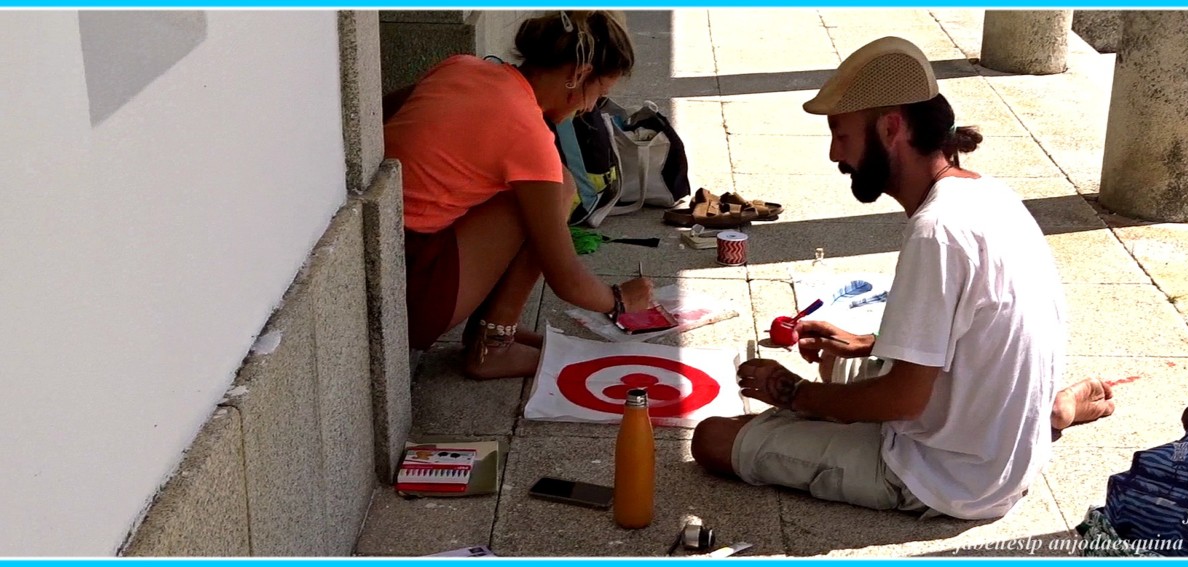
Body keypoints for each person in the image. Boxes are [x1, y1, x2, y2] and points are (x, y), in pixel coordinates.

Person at [689, 36, 1115, 520]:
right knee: (835, 363)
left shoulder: (936, 233)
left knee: (713, 438)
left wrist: (791, 393)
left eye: (841, 134)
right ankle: (1048, 413)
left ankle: (1042, 415)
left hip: (949, 478)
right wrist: (871, 343)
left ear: (891, 127)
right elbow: (972, 329)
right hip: (1001, 444)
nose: (834, 155)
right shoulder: (989, 195)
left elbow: (904, 400)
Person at [382, 11, 653, 380]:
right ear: (577, 73)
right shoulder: (527, 132)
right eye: (598, 94)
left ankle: (490, 325)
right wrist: (620, 301)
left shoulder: (460, 66)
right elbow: (566, 279)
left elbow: (380, 114)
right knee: (556, 189)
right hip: (410, 292)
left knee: (547, 185)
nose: (589, 108)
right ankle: (493, 345)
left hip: (385, 252)